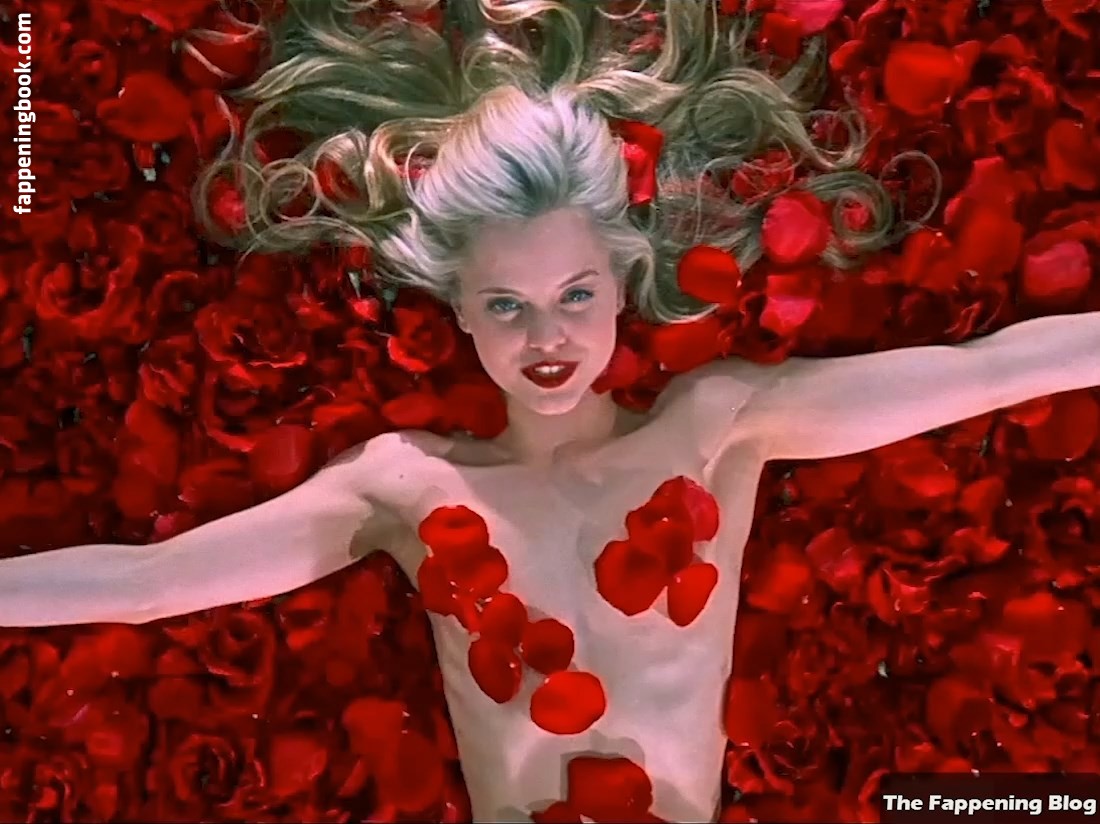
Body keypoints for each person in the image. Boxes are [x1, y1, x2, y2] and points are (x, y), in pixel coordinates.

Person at [2, 1, 1099, 821]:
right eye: (507, 306)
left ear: (623, 283)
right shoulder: (408, 484)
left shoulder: (717, 424)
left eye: (575, 296)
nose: (547, 339)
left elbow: (989, 372)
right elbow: (148, 583)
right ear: (461, 313)